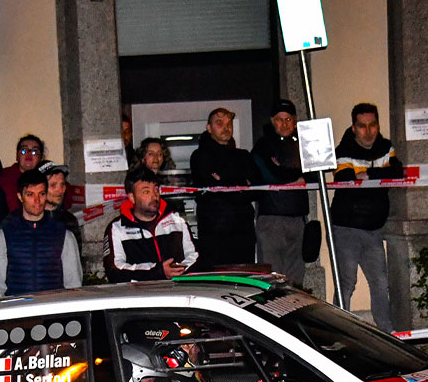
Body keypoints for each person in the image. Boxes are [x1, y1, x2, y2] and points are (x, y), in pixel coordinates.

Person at [330, 103, 402, 332]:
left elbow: (397, 172)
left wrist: (368, 174)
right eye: (362, 126)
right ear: (353, 128)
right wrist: (370, 177)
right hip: (346, 228)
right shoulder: (344, 150)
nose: (368, 131)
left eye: (373, 125)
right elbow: (344, 178)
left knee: (380, 282)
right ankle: (339, 330)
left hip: (373, 229)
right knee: (346, 283)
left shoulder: (385, 147)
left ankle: (387, 332)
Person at [0, 169, 82, 298]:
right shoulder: (4, 235)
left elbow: (74, 284)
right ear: (20, 197)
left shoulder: (64, 235)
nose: (37, 201)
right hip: (17, 308)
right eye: (30, 195)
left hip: (53, 306)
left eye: (41, 194)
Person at [190, 107, 259, 268]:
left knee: (244, 276)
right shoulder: (200, 156)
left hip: (243, 231)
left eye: (229, 124)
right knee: (217, 277)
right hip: (214, 232)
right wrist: (241, 186)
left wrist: (224, 182)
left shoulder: (243, 156)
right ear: (209, 128)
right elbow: (210, 186)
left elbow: (259, 187)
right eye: (219, 123)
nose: (226, 127)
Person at [103, 167, 198, 283]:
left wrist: (177, 269)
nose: (154, 196)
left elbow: (195, 256)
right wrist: (158, 272)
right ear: (132, 197)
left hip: (179, 289)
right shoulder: (118, 228)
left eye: (156, 190)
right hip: (141, 292)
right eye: (146, 192)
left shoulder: (177, 221)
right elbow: (114, 271)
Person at [252, 99, 310, 285]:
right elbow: (269, 175)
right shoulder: (263, 145)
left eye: (288, 119)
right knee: (271, 279)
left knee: (296, 279)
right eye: (279, 119)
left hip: (298, 218)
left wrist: (289, 173)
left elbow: (315, 174)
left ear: (295, 121)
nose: (284, 124)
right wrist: (297, 176)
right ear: (272, 121)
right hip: (272, 219)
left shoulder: (304, 144)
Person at [0, 134, 45, 214]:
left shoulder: (47, 177)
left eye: (34, 151)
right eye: (24, 151)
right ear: (17, 155)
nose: (28, 154)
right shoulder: (3, 178)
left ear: (41, 157)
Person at [38, 161, 81, 244]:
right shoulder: (24, 219)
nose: (60, 190)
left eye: (62, 184)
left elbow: (75, 250)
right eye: (53, 185)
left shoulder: (69, 220)